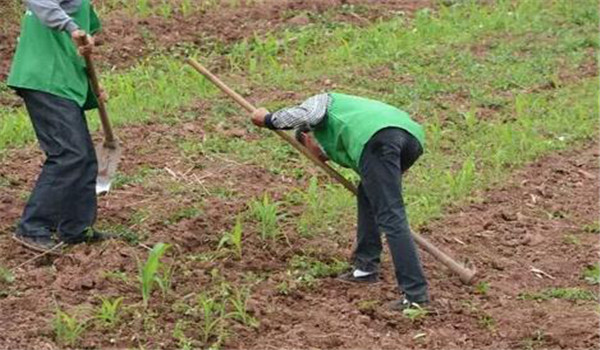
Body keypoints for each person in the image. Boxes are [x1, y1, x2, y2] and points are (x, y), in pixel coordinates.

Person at [251, 93, 429, 310]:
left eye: (313, 152)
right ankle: (365, 267)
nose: (322, 157)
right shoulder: (349, 126)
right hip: (409, 137)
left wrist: (268, 119)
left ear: (308, 137)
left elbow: (305, 113)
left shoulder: (323, 104)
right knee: (368, 195)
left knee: (391, 216)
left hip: (379, 137)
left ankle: (415, 295)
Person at [7, 0, 112, 252]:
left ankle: (76, 228)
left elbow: (82, 45)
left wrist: (93, 86)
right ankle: (32, 227)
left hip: (63, 83)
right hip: (45, 79)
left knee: (84, 158)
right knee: (69, 154)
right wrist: (70, 25)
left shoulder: (84, 7)